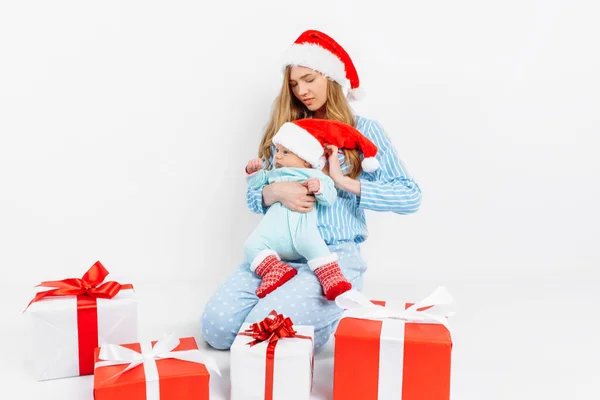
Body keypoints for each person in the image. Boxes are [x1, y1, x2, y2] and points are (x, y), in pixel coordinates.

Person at [201, 29, 422, 351]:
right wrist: (275, 193)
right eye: (294, 84)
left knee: (262, 334)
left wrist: (345, 182)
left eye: (309, 79)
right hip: (277, 254)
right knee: (217, 330)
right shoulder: (287, 130)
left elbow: (410, 196)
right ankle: (302, 314)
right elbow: (255, 194)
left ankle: (326, 311)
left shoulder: (365, 131)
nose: (301, 91)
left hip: (331, 256)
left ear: (331, 79)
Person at [244, 118, 380, 301]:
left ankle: (332, 278)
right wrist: (254, 172)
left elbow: (330, 197)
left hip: (303, 231)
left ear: (307, 161)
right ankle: (274, 269)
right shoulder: (274, 175)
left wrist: (320, 188)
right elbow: (257, 185)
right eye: (277, 151)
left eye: (285, 152)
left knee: (316, 247)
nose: (277, 156)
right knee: (251, 245)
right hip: (273, 233)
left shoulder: (316, 176)